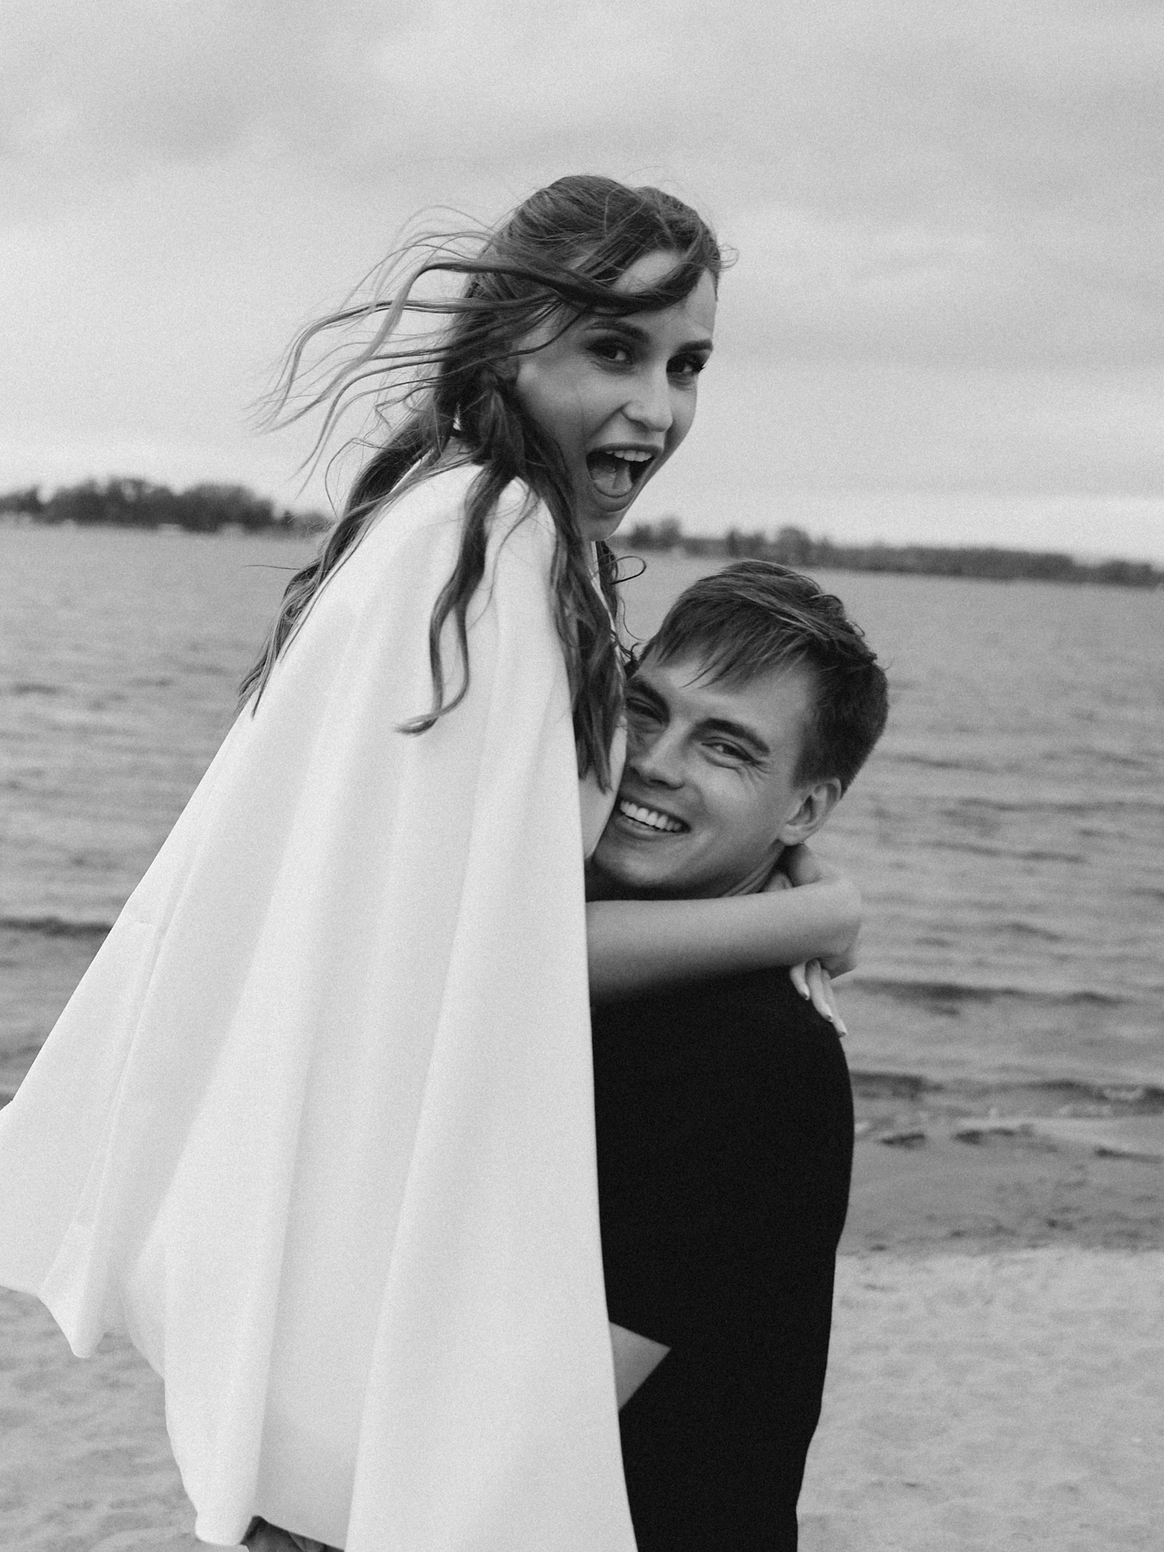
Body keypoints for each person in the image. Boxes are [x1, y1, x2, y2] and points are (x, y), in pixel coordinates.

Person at [0, 179, 857, 1552]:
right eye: (616, 350)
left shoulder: (474, 528)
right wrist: (810, 913)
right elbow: (498, 957)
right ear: (511, 339)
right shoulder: (495, 543)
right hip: (376, 1351)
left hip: (356, 1294)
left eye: (687, 364)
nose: (656, 408)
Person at [588, 560, 889, 1550]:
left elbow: (553, 1411)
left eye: (726, 747)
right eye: (645, 710)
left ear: (804, 812)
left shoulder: (752, 1058)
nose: (655, 761)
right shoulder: (580, 960)